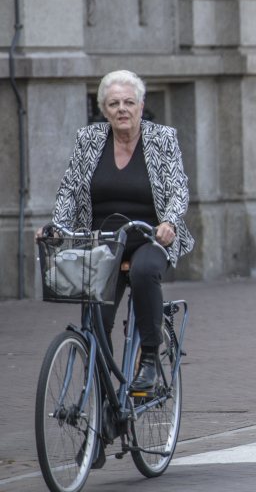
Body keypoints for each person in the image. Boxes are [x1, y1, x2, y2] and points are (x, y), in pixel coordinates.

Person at [52, 70, 195, 393]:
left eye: (129, 102)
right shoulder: (88, 139)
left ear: (141, 106)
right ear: (104, 109)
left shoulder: (162, 139)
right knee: (96, 320)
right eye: (114, 103)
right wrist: (56, 226)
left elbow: (178, 188)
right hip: (101, 242)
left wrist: (170, 222)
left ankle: (148, 361)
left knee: (144, 272)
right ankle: (103, 400)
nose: (122, 109)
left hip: (149, 236)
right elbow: (69, 190)